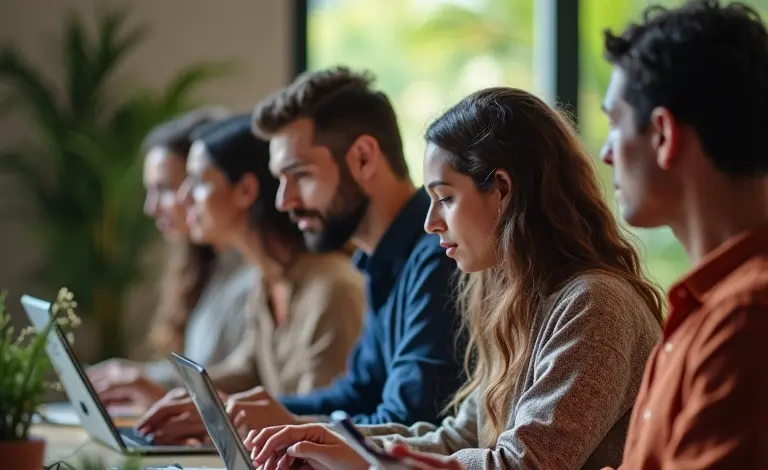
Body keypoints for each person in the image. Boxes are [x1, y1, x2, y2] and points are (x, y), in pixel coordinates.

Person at [243, 87, 665, 470]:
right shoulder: (517, 299)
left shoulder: (595, 304)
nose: (430, 223)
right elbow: (458, 438)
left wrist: (365, 462)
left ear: (502, 189)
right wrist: (338, 444)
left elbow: (526, 464)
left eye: (445, 198)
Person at [134, 66, 464, 439]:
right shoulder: (379, 261)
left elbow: (409, 420)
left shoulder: (439, 257)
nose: (283, 200)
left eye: (301, 175)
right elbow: (357, 394)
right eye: (280, 179)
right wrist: (236, 413)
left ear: (364, 158)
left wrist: (284, 424)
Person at [598, 1, 768, 467]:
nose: (605, 152)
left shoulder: (744, 319)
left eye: (614, 123)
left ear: (663, 135)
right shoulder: (706, 309)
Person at [88, 108, 259, 404]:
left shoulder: (257, 279)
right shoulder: (208, 268)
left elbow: (248, 382)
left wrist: (151, 383)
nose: (152, 207)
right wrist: (135, 377)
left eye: (166, 188)